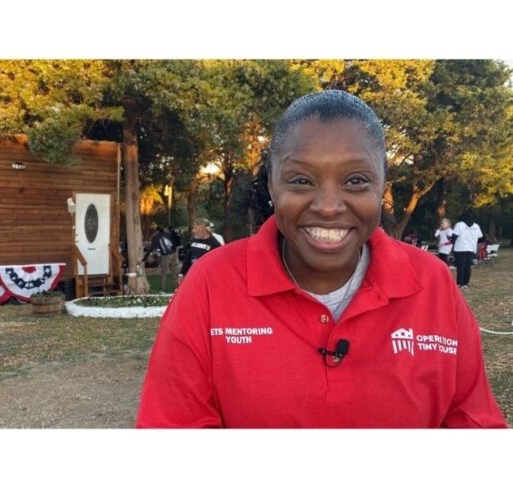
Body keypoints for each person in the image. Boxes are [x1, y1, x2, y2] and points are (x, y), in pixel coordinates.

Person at [137, 90, 506, 428]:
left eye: (357, 180)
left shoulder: (433, 283)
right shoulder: (211, 285)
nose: (328, 207)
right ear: (271, 186)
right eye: (300, 181)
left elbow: (472, 422)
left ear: (382, 185)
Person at [177, 217, 221, 285]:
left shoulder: (214, 244)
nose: (193, 231)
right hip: (192, 275)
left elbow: (218, 264)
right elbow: (188, 257)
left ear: (203, 228)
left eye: (195, 228)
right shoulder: (194, 240)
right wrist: (181, 273)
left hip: (206, 278)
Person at [141, 226, 177, 293]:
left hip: (166, 255)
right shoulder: (168, 235)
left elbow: (151, 248)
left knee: (163, 272)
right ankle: (178, 286)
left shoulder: (156, 238)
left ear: (157, 231)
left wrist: (144, 258)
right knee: (174, 270)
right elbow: (174, 243)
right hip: (173, 253)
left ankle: (163, 288)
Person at [452, 212, 483, 289]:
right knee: (467, 266)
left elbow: (454, 236)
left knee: (460, 266)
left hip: (460, 248)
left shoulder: (459, 225)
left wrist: (452, 242)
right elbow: (481, 238)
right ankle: (466, 282)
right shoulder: (476, 226)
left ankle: (460, 283)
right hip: (471, 248)